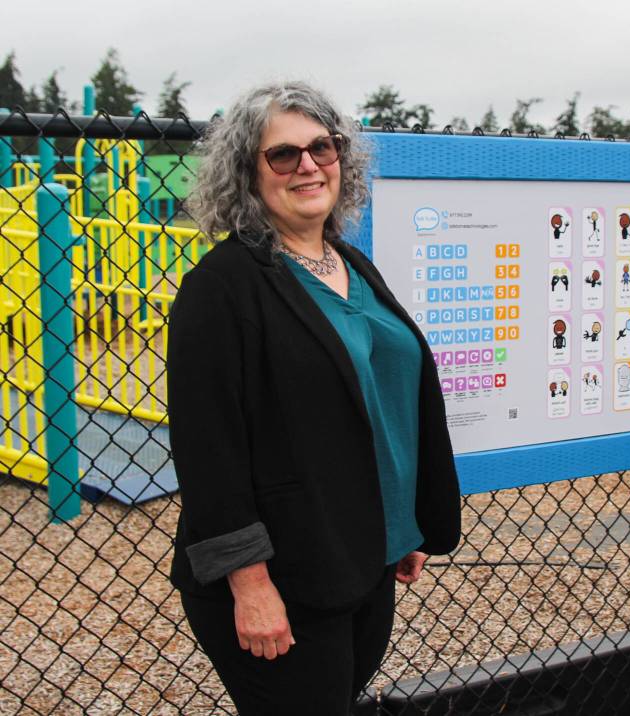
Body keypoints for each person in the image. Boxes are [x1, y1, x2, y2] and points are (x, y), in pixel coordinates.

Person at [167, 81, 461, 714]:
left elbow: (378, 399)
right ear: (247, 174)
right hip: (285, 576)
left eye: (321, 148)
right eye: (282, 154)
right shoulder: (221, 288)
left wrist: (399, 520)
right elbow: (207, 452)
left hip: (361, 558)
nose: (307, 165)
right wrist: (250, 585)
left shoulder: (350, 263)